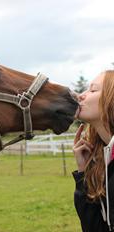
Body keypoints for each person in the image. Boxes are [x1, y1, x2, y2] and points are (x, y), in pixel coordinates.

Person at [73, 70, 114, 232]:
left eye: (93, 90)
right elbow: (95, 227)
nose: (81, 95)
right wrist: (83, 171)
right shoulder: (104, 159)